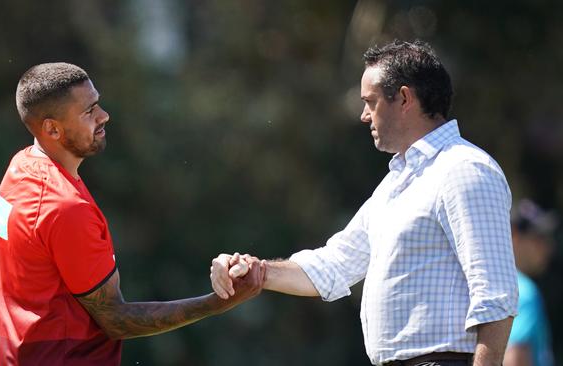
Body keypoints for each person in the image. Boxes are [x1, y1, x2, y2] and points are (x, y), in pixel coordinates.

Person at [211, 40, 518, 366]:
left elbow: (496, 296)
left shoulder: (465, 170)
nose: (363, 115)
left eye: (370, 102)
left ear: (403, 98)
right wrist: (258, 272)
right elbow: (335, 265)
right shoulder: (395, 184)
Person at [0, 62, 265, 365]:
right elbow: (115, 320)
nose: (104, 116)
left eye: (98, 104)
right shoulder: (65, 209)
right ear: (52, 128)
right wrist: (216, 303)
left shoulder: (20, 168)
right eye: (89, 111)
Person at [503, 199, 556, 366]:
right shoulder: (524, 292)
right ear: (514, 236)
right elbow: (514, 359)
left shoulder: (494, 285)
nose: (548, 248)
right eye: (538, 238)